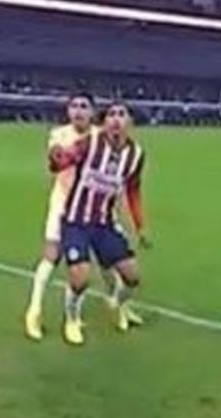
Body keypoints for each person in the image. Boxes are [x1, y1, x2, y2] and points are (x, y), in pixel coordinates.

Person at [57, 102, 151, 346]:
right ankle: (72, 320)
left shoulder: (135, 155)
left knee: (132, 276)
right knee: (80, 279)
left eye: (121, 114)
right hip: (76, 221)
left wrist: (140, 226)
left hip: (104, 224)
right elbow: (61, 161)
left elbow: (133, 191)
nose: (116, 119)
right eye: (111, 115)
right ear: (104, 121)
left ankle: (117, 304)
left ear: (129, 121)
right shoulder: (89, 143)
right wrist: (58, 157)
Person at [24, 93, 95, 340]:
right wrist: (82, 148)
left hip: (89, 208)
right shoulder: (59, 134)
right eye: (74, 106)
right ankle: (34, 310)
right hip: (63, 204)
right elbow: (56, 162)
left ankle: (77, 316)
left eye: (84, 106)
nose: (78, 111)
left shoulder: (100, 136)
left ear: (92, 112)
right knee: (51, 256)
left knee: (84, 264)